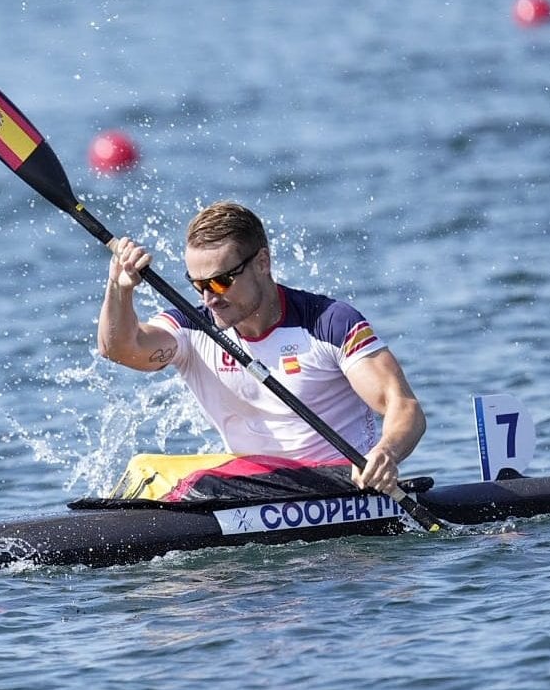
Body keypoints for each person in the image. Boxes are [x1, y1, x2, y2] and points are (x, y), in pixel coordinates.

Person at [97, 201, 425, 494]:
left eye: (220, 281)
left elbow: (403, 405)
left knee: (156, 473)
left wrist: (385, 453)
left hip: (343, 486)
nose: (209, 298)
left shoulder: (328, 323)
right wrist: (119, 288)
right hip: (249, 488)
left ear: (262, 262)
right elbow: (121, 349)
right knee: (153, 472)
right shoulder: (193, 327)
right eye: (197, 285)